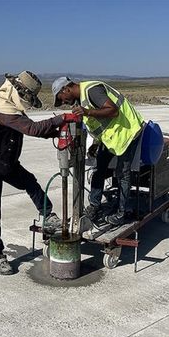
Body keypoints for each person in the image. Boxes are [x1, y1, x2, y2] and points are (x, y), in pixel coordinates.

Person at [0, 71, 78, 275]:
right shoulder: (2, 108)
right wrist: (62, 119)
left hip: (5, 162)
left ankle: (48, 214)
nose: (26, 101)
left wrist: (56, 133)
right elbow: (32, 129)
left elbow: (30, 128)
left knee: (29, 182)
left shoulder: (9, 104)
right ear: (19, 91)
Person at [52, 76, 144, 226]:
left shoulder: (91, 90)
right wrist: (96, 142)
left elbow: (113, 111)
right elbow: (101, 123)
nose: (63, 102)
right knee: (99, 169)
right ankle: (94, 206)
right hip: (112, 137)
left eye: (61, 98)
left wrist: (87, 112)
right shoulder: (83, 100)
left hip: (128, 131)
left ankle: (121, 213)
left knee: (123, 173)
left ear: (66, 89)